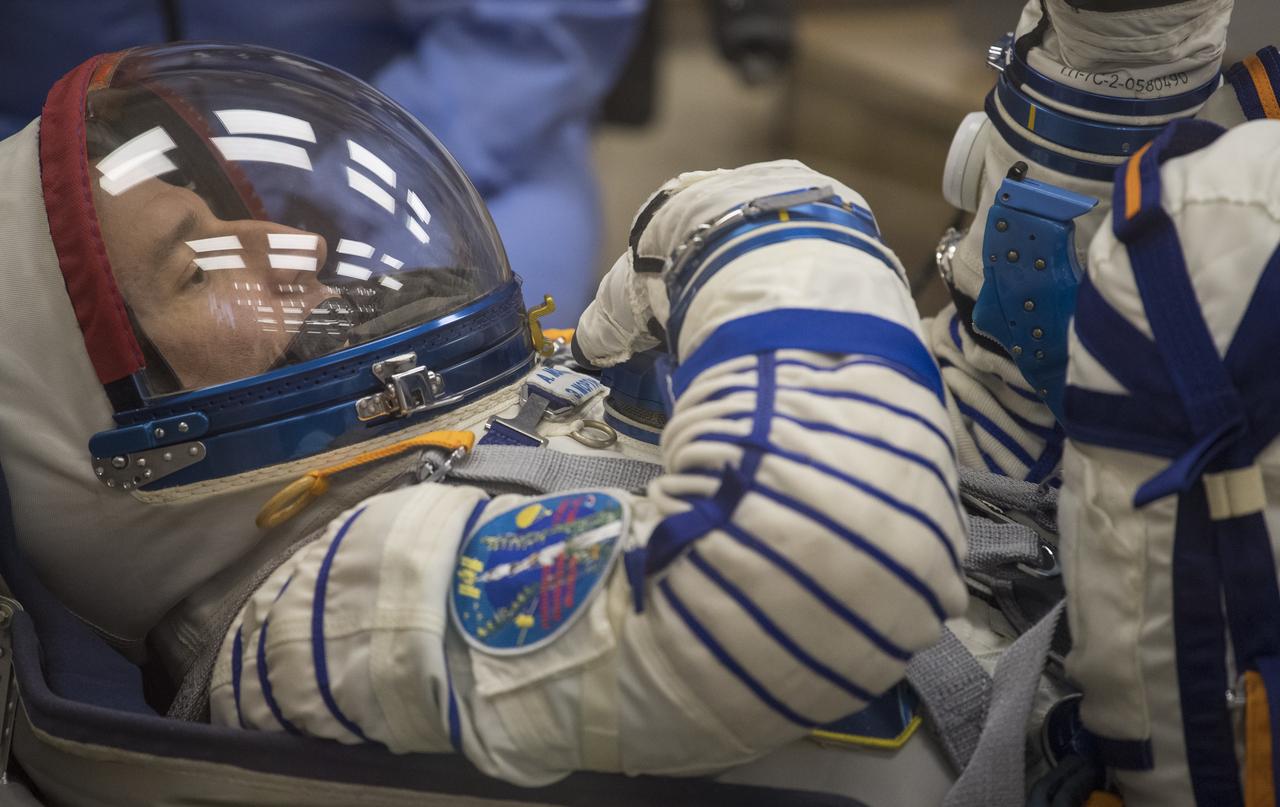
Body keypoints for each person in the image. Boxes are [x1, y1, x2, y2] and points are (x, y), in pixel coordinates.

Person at [0, 1, 1274, 804]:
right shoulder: (311, 621)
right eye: (194, 265)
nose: (268, 242)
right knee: (1217, 233)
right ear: (111, 450)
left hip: (1072, 642)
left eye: (234, 208)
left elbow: (984, 469)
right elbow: (827, 570)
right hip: (1117, 740)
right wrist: (766, 227)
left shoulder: (406, 478)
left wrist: (1112, 69)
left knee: (1127, 246)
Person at [0, 0, 647, 323]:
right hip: (47, 153)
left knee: (486, 330)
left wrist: (345, 179)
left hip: (426, 122)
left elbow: (545, 22)